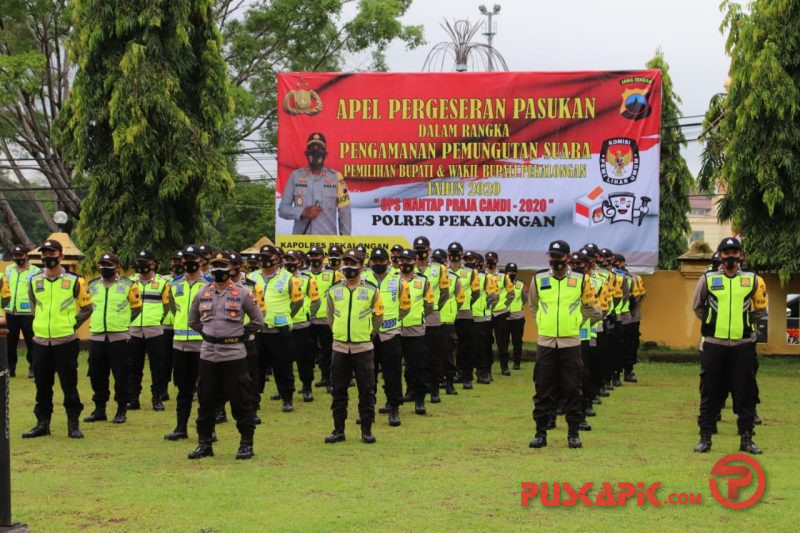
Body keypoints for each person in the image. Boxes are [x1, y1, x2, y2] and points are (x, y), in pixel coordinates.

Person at [692, 237, 767, 455]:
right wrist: (712, 323)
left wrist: (744, 324)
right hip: (714, 345)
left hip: (743, 344)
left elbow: (760, 309)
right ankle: (705, 438)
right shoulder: (708, 279)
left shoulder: (753, 280)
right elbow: (697, 307)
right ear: (720, 256)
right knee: (710, 391)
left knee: (745, 392)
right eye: (726, 252)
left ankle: (746, 439)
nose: (731, 256)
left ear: (741, 255)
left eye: (735, 251)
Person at [187, 252, 264, 460]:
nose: (219, 271)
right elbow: (192, 320)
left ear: (230, 269)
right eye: (215, 267)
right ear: (210, 270)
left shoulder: (242, 293)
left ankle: (246, 443)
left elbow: (258, 321)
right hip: (208, 354)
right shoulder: (203, 292)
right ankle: (205, 443)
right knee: (206, 399)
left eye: (223, 267)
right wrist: (209, 333)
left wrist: (239, 334)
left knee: (241, 401)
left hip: (234, 354)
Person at [528, 240, 600, 449]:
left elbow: (592, 308)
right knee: (543, 388)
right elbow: (533, 306)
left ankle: (573, 434)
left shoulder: (580, 280)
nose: (555, 260)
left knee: (573, 388)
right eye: (552, 256)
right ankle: (540, 433)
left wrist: (577, 323)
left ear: (568, 257)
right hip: (546, 341)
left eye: (559, 256)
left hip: (571, 342)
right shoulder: (539, 278)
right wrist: (543, 322)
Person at [22, 239, 93, 439]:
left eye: (52, 253)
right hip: (42, 341)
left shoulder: (74, 281)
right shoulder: (34, 280)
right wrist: (41, 324)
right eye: (44, 253)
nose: (47, 257)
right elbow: (34, 305)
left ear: (60, 256)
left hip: (65, 342)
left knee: (68, 384)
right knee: (42, 385)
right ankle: (42, 423)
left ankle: (73, 424)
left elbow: (87, 308)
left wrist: (71, 324)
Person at [324, 249, 383, 444]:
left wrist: (367, 335)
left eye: (353, 264)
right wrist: (339, 334)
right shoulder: (333, 290)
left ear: (361, 266)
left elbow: (378, 317)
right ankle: (338, 430)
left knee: (366, 390)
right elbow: (330, 317)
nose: (348, 267)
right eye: (346, 263)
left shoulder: (372, 290)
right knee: (338, 390)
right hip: (340, 348)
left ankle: (366, 430)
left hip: (363, 348)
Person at [85, 253, 142, 424]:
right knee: (97, 375)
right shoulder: (92, 285)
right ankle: (99, 409)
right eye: (102, 264)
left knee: (121, 375)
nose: (104, 267)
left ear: (117, 266)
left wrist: (123, 322)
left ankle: (121, 410)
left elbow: (137, 308)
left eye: (108, 264)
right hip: (97, 336)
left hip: (119, 337)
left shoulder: (128, 285)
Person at [252, 244, 304, 412]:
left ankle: (287, 398)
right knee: (256, 367)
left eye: (269, 256)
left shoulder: (289, 278)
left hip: (279, 330)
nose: (265, 259)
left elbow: (297, 302)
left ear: (277, 259)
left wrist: (286, 316)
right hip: (258, 330)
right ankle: (254, 399)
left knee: (283, 366)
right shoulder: (251, 277)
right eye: (262, 256)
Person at [164, 245, 206, 441]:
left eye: (193, 259)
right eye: (186, 259)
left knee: (207, 388)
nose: (188, 263)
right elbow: (173, 309)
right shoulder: (174, 284)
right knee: (183, 388)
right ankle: (181, 427)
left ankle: (208, 429)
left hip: (203, 343)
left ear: (201, 261)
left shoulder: (210, 284)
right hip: (180, 342)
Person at [364, 247, 409, 426]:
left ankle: (394, 407)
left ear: (388, 262)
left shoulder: (398, 280)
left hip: (390, 334)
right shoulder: (363, 279)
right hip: (368, 333)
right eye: (374, 261)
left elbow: (405, 307)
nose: (378, 264)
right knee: (368, 373)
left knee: (393, 372)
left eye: (381, 261)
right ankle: (367, 409)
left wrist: (394, 322)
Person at [278, 132, 352, 235]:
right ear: (306, 153)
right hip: (300, 244)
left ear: (325, 154)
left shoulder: (336, 177)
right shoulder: (295, 176)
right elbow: (282, 210)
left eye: (319, 148)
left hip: (327, 245)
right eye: (312, 148)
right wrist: (303, 212)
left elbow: (345, 214)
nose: (315, 151)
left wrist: (345, 244)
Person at [128, 249, 170, 411]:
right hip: (135, 329)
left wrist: (158, 320)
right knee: (134, 366)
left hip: (155, 330)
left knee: (157, 366)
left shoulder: (162, 282)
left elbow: (167, 306)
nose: (141, 265)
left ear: (152, 264)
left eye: (144, 262)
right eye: (139, 262)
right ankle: (133, 399)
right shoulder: (131, 282)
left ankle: (157, 398)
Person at [413, 236, 449, 403]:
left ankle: (434, 390)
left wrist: (434, 308)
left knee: (434, 354)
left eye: (423, 249)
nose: (420, 252)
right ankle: (413, 390)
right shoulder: (409, 269)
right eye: (417, 249)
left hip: (432, 316)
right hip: (413, 317)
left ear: (429, 250)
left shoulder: (439, 269)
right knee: (415, 356)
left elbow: (444, 293)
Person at [398, 249, 434, 415]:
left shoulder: (423, 281)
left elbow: (429, 306)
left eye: (408, 260)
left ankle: (419, 400)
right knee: (394, 367)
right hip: (395, 329)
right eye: (402, 260)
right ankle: (401, 396)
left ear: (414, 262)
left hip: (415, 330)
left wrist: (418, 317)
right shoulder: (392, 280)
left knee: (418, 365)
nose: (405, 263)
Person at [284, 249, 321, 402]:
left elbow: (316, 301)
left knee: (304, 359)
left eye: (293, 260)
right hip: (283, 325)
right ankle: (285, 390)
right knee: (283, 359)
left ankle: (307, 387)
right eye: (287, 259)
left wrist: (307, 316)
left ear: (299, 262)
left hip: (302, 326)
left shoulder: (308, 279)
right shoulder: (279, 279)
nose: (289, 263)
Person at [2, 244, 41, 378]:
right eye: (16, 255)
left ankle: (33, 368)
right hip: (10, 312)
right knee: (10, 343)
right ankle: (10, 369)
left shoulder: (35, 271)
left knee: (32, 342)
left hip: (28, 313)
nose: (18, 258)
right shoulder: (9, 269)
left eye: (20, 255)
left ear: (27, 256)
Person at [304, 246, 338, 391]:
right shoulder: (303, 274)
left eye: (317, 255)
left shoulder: (332, 274)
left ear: (323, 257)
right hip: (308, 319)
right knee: (308, 353)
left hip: (326, 319)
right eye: (312, 255)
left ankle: (327, 379)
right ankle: (307, 384)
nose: (314, 258)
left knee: (327, 351)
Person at [448, 242, 479, 389]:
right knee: (451, 347)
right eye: (451, 253)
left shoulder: (470, 272)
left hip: (465, 314)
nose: (454, 256)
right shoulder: (444, 271)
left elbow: (476, 293)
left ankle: (467, 377)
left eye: (457, 253)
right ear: (448, 255)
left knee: (467, 347)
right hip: (448, 315)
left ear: (462, 255)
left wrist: (466, 304)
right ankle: (455, 374)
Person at [432, 248, 462, 395]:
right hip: (432, 320)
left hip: (447, 321)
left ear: (446, 261)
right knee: (433, 355)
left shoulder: (454, 278)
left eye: (440, 261)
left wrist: (452, 311)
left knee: (448, 354)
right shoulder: (428, 276)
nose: (438, 264)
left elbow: (459, 299)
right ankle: (436, 383)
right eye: (435, 260)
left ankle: (450, 383)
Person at [160, 250, 184, 400]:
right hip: (164, 327)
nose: (177, 264)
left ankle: (185, 388)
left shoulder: (186, 281)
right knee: (164, 360)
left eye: (180, 261)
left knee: (180, 362)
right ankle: (163, 389)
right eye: (174, 261)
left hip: (180, 327)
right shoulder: (164, 280)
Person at [486, 252, 514, 376]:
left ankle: (504, 367)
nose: (491, 263)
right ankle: (487, 368)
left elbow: (511, 293)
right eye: (489, 260)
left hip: (500, 313)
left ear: (497, 261)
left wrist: (505, 306)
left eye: (493, 260)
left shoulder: (504, 277)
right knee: (486, 342)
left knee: (502, 341)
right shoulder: (481, 276)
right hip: (485, 313)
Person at [504, 263, 528, 370]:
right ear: (505, 272)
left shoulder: (521, 284)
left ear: (517, 273)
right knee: (503, 341)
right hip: (503, 316)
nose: (511, 274)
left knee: (517, 341)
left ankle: (516, 362)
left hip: (517, 317)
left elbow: (525, 299)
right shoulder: (501, 284)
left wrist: (518, 306)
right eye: (509, 272)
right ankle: (504, 363)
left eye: (513, 272)